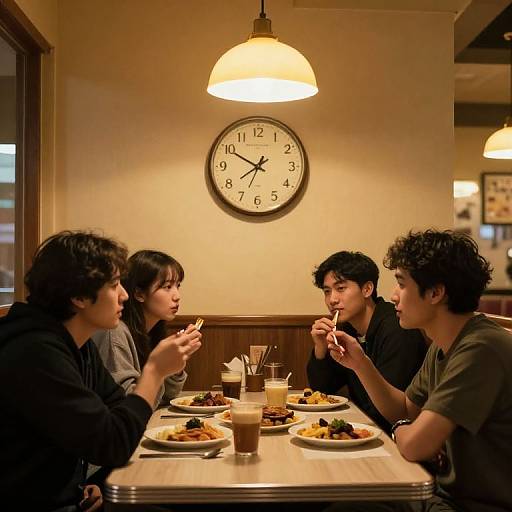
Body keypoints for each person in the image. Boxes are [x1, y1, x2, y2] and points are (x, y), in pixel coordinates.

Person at [0, 231, 201, 512]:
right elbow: (114, 442)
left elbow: (116, 412)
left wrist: (85, 483)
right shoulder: (34, 352)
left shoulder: (77, 344)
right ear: (80, 296)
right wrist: (154, 371)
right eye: (115, 284)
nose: (125, 295)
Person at [325, 230, 512, 512]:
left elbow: (414, 446)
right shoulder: (443, 343)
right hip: (440, 492)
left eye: (401, 283)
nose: (393, 295)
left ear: (436, 293)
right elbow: (404, 408)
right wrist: (360, 363)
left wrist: (401, 429)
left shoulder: (481, 348)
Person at [307, 251, 427, 432]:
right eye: (327, 291)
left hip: (397, 435)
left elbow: (393, 410)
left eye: (341, 288)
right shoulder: (347, 329)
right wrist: (320, 348)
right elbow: (323, 390)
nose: (332, 299)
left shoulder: (398, 330)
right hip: (367, 427)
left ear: (367, 289)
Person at [92, 250, 191, 408]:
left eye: (177, 286)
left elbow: (167, 396)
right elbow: (128, 404)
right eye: (167, 287)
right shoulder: (115, 333)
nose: (177, 295)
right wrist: (158, 369)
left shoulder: (152, 330)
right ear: (139, 293)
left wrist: (176, 365)